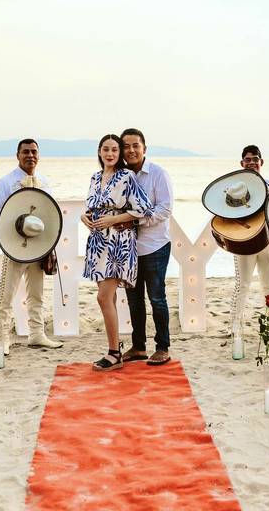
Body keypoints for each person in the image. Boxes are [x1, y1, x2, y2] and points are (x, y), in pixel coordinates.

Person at [82, 134, 154, 371]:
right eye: (106, 149)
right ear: (99, 152)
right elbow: (91, 207)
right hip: (97, 242)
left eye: (114, 149)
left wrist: (114, 218)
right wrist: (85, 217)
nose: (110, 154)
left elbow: (143, 209)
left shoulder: (127, 176)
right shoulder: (94, 177)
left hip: (119, 243)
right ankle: (115, 346)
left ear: (119, 154)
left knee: (103, 297)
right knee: (108, 298)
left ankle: (114, 353)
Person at [0, 138, 62, 352]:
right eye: (25, 152)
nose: (30, 155)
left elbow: (50, 214)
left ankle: (36, 333)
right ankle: (2, 339)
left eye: (33, 152)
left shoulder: (45, 181)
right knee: (6, 294)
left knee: (37, 293)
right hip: (15, 245)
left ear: (38, 155)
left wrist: (49, 243)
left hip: (39, 245)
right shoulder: (5, 182)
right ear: (18, 155)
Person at [119, 128, 173, 366]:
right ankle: (139, 346)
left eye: (135, 146)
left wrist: (135, 220)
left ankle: (163, 346)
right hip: (128, 249)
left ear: (144, 149)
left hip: (155, 246)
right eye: (126, 146)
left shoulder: (158, 173)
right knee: (133, 300)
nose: (131, 150)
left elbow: (165, 209)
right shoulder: (120, 176)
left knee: (157, 298)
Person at [230, 145, 269, 335]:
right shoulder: (234, 188)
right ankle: (235, 325)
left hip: (267, 240)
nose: (252, 162)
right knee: (243, 284)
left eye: (255, 159)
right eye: (248, 159)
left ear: (261, 162)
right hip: (244, 243)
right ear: (242, 163)